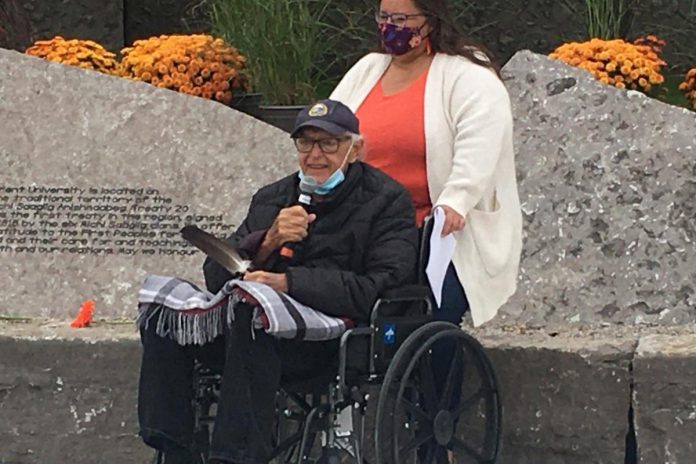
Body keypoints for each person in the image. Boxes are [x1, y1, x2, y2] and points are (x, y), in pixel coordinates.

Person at [137, 99, 418, 464]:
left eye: (328, 143)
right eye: (305, 143)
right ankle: (172, 445)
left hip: (332, 340)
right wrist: (269, 240)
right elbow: (217, 275)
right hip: (256, 330)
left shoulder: (386, 201)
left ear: (354, 150)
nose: (315, 155)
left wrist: (287, 283)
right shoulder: (274, 198)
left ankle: (235, 456)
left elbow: (378, 288)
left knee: (250, 314)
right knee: (165, 312)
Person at [331, 0, 522, 329]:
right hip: (361, 225)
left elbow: (478, 148)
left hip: (432, 232)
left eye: (401, 18)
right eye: (384, 17)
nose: (390, 26)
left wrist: (456, 200)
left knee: (432, 310)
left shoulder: (470, 77)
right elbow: (330, 127)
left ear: (430, 21)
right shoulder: (367, 70)